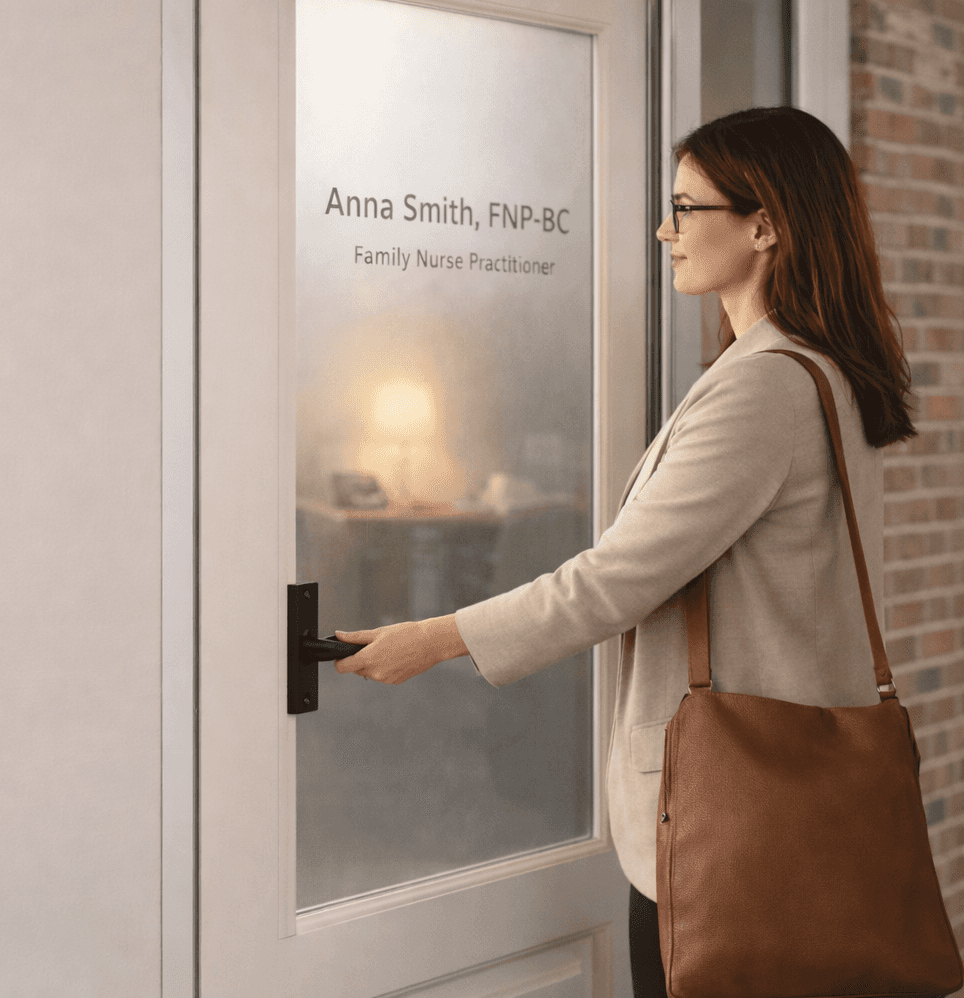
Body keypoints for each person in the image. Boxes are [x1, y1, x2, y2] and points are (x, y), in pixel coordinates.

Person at [333, 105, 916, 998]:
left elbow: (616, 581)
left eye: (686, 208)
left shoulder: (764, 387)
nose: (663, 230)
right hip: (789, 801)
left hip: (735, 824)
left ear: (765, 226)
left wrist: (436, 636)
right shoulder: (822, 369)